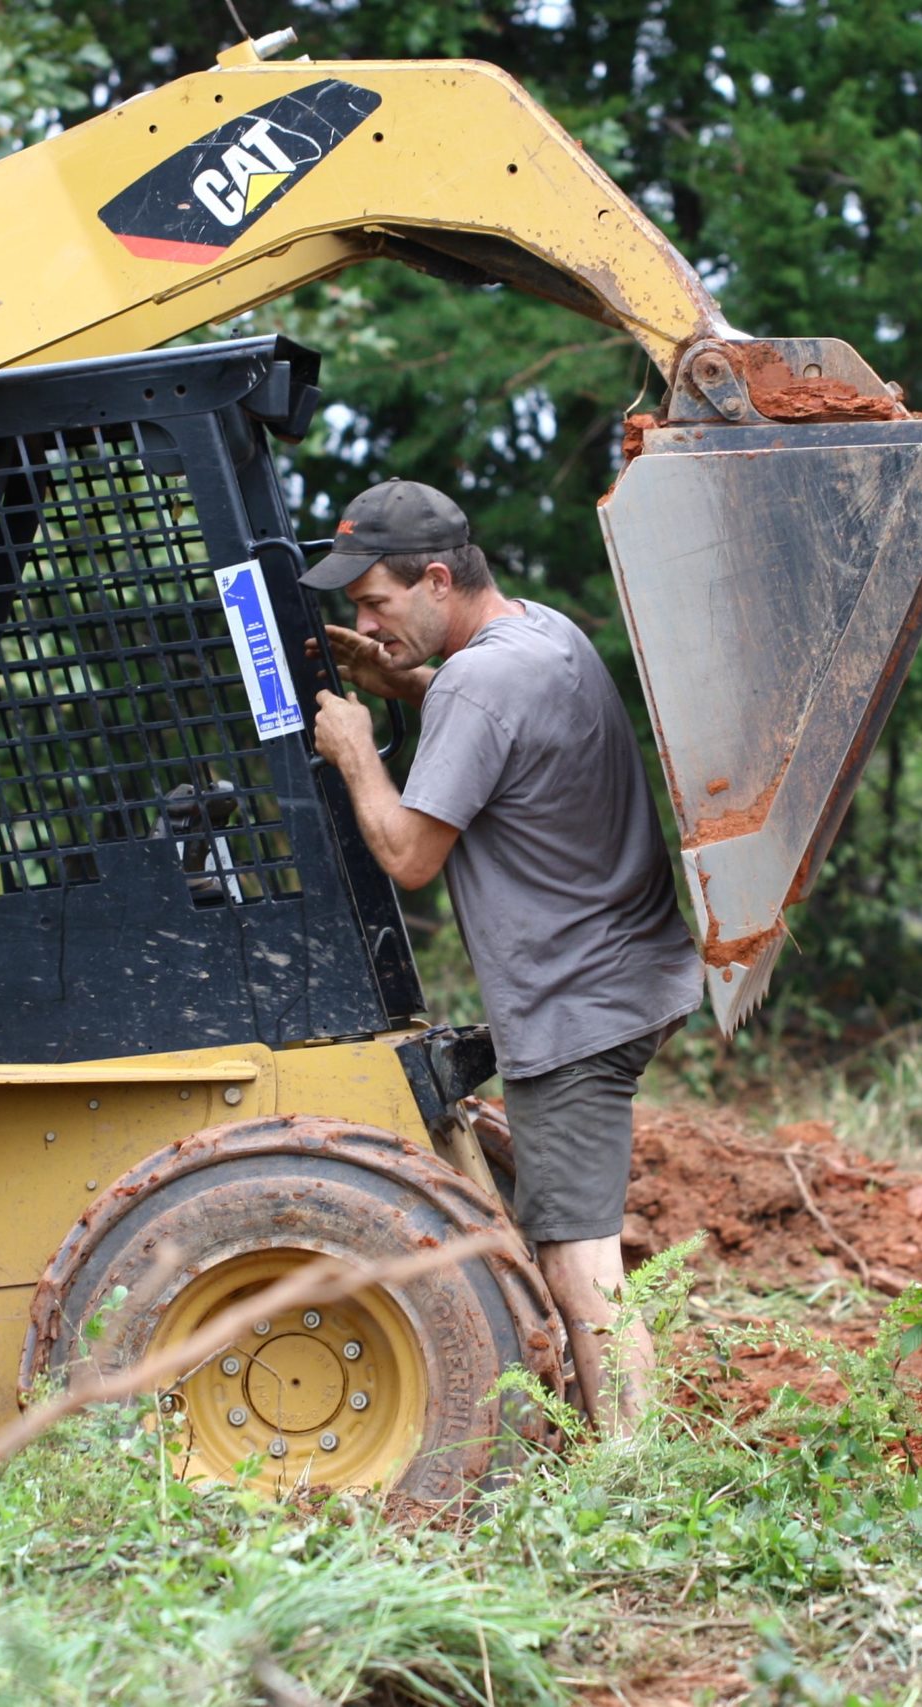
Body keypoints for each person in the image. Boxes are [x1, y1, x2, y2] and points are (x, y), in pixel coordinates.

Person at [299, 478, 702, 1434]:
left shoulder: (480, 682)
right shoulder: (541, 635)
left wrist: (359, 747)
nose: (366, 620)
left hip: (576, 1005)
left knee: (575, 1256)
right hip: (624, 973)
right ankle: (602, 1440)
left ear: (436, 578)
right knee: (559, 1232)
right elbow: (496, 719)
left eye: (376, 603)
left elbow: (408, 855)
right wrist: (403, 680)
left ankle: (638, 1478)